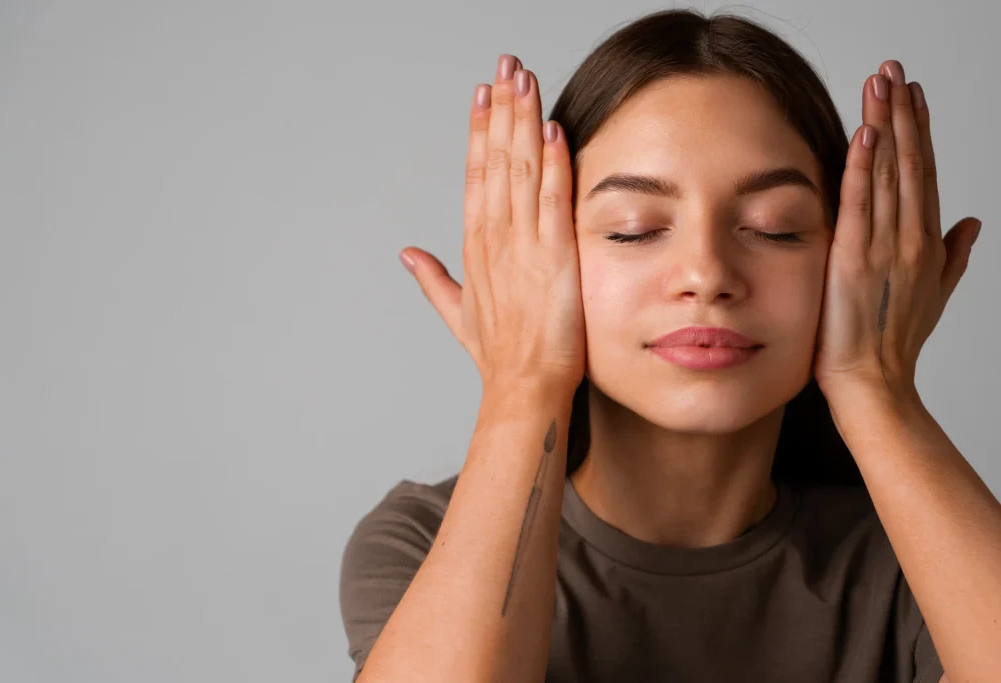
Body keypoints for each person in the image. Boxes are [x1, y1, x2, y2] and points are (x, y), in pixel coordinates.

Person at [340, 8, 995, 683]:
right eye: (633, 228)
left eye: (773, 228)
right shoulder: (420, 539)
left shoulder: (916, 564)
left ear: (854, 258)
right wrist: (525, 380)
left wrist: (873, 382)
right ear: (542, 260)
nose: (706, 273)